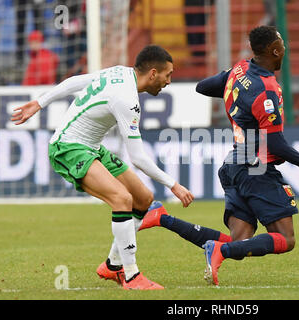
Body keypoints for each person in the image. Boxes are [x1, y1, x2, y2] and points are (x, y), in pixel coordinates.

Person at [137, 26, 299, 286]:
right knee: (286, 240)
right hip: (255, 168)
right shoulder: (266, 91)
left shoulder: (240, 70)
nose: (285, 46)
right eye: (282, 42)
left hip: (234, 166)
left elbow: (203, 87)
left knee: (239, 241)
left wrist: (234, 84)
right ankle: (219, 252)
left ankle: (163, 217)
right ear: (275, 50)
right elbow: (277, 146)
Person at [11, 45, 195, 290]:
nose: (169, 81)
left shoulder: (119, 72)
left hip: (92, 147)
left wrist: (40, 103)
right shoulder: (127, 100)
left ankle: (112, 265)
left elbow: (73, 82)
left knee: (143, 198)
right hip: (68, 148)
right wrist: (174, 185)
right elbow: (138, 158)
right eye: (168, 75)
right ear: (153, 73)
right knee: (122, 199)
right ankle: (131, 275)